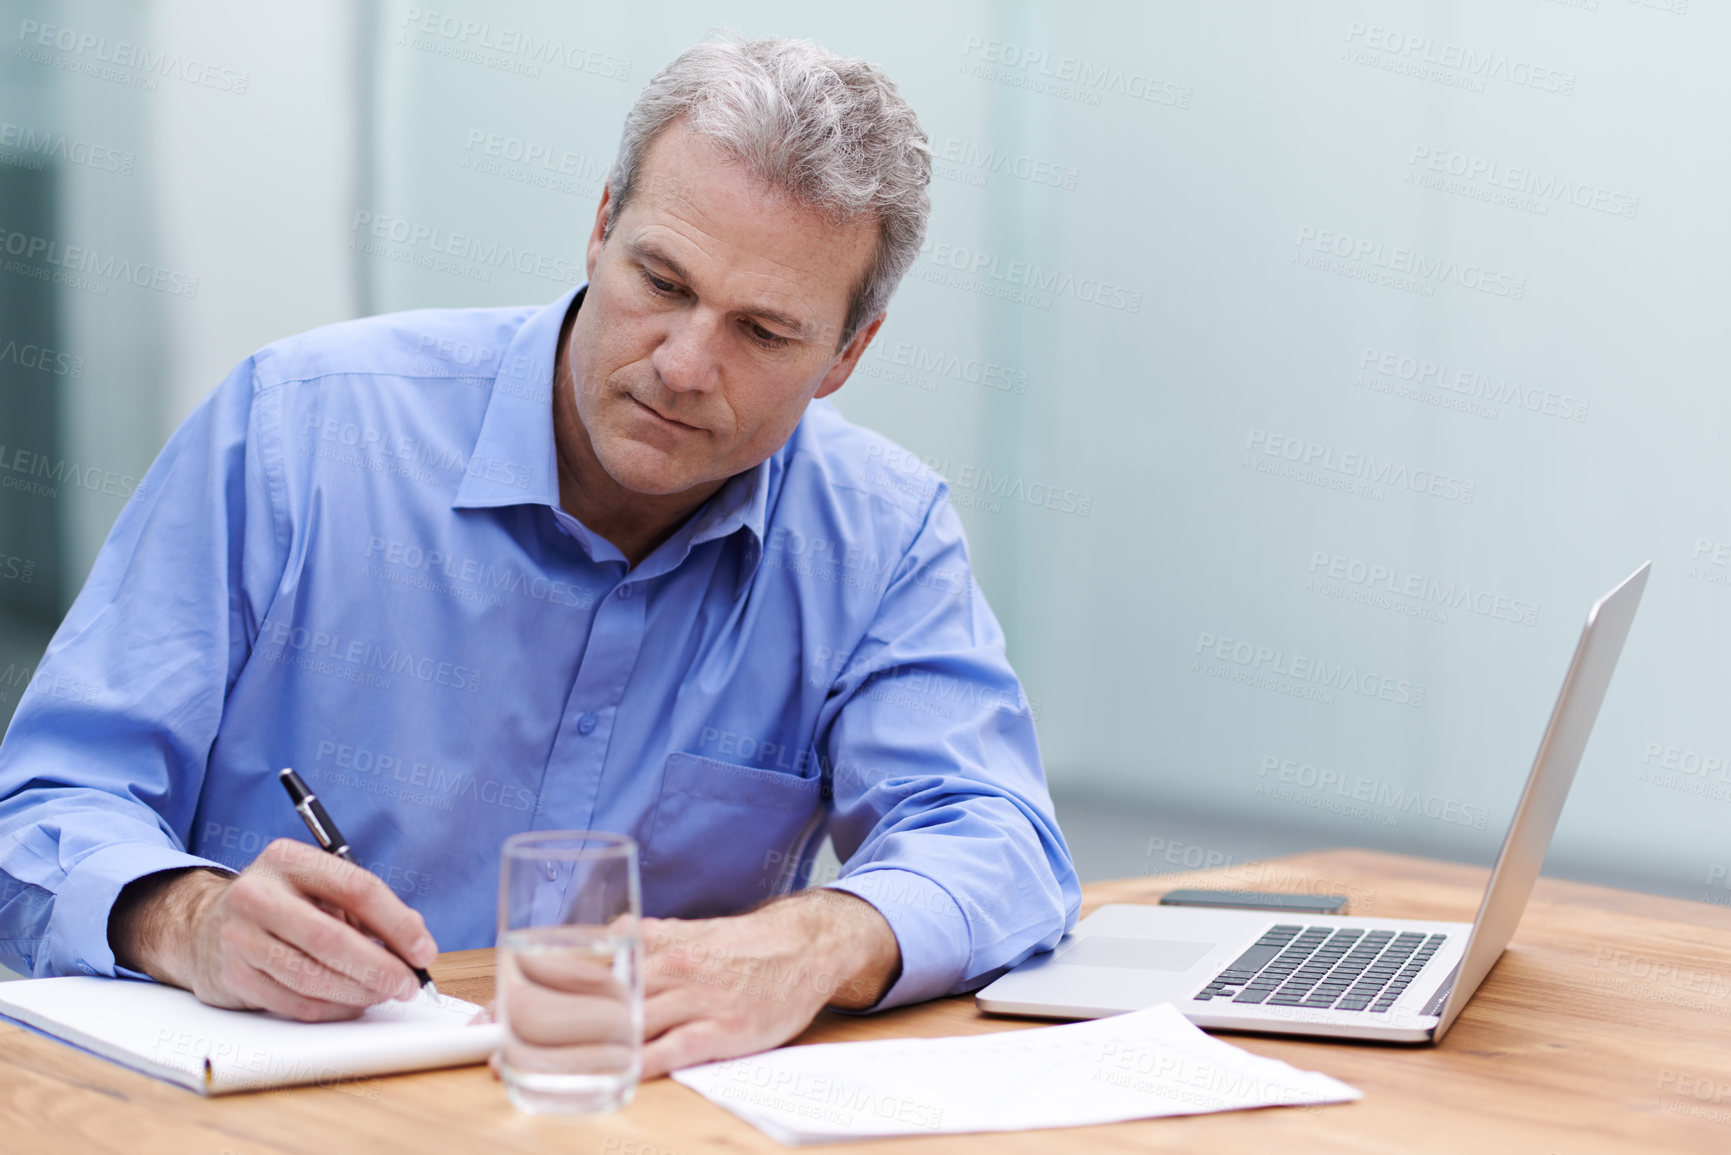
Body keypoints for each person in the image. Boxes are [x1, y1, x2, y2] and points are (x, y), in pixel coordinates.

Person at [0, 34, 1077, 1077]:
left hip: (627, 1111)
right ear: (602, 227)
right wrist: (186, 920)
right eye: (661, 280)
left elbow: (998, 840)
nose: (687, 364)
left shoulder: (878, 536)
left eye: (763, 332)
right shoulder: (296, 433)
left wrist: (821, 938)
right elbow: (42, 811)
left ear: (847, 354)